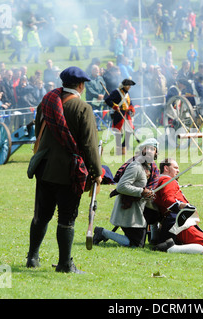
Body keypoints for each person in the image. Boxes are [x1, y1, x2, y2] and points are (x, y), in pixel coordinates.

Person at [26, 66, 103, 274]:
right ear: (80, 85)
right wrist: (97, 172)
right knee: (67, 218)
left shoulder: (47, 101)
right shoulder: (82, 108)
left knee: (41, 215)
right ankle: (64, 265)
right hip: (69, 172)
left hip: (44, 169)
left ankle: (32, 258)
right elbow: (89, 145)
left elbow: (38, 132)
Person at [93, 138, 159, 248]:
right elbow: (121, 187)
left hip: (137, 210)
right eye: (147, 149)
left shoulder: (149, 166)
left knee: (139, 242)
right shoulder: (136, 166)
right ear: (142, 150)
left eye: (153, 149)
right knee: (136, 245)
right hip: (128, 211)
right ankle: (102, 232)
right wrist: (142, 191)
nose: (150, 151)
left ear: (156, 152)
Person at [152, 158, 203, 255]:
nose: (178, 170)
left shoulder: (159, 180)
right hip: (177, 221)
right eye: (175, 167)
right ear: (166, 168)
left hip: (172, 221)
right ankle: (170, 248)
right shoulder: (167, 180)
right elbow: (168, 199)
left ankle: (169, 245)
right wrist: (182, 205)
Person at [104, 79, 136, 155]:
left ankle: (124, 145)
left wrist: (132, 108)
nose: (130, 87)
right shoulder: (116, 92)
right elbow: (107, 100)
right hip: (118, 113)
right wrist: (114, 106)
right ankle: (119, 149)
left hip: (127, 113)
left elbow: (130, 102)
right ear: (124, 86)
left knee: (130, 130)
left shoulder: (127, 93)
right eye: (129, 86)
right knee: (118, 132)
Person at [85, 65, 107, 130]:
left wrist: (102, 95)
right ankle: (91, 127)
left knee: (99, 114)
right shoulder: (88, 79)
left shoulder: (101, 78)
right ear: (92, 70)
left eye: (98, 70)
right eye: (95, 70)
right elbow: (89, 89)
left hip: (99, 100)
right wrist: (98, 95)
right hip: (91, 100)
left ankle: (98, 127)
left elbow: (104, 87)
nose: (97, 71)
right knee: (92, 114)